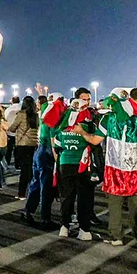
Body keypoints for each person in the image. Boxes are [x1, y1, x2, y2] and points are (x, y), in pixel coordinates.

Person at [74, 89, 137, 246]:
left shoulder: (108, 119)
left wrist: (82, 132)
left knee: (115, 204)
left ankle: (116, 236)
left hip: (115, 169)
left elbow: (95, 140)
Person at [53, 88, 95, 241]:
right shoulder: (87, 127)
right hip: (82, 165)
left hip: (65, 164)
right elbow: (94, 143)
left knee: (67, 197)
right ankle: (84, 230)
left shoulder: (63, 127)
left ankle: (64, 226)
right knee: (83, 198)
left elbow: (57, 145)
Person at [22, 93, 60, 229]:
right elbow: (53, 140)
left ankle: (28, 210)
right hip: (47, 154)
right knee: (46, 188)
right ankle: (45, 218)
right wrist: (57, 159)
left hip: (38, 152)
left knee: (36, 183)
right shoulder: (53, 117)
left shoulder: (44, 112)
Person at [8, 95, 39, 200]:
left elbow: (12, 128)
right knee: (31, 168)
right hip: (33, 144)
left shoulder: (21, 114)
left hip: (22, 144)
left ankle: (22, 193)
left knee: (24, 170)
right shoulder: (36, 115)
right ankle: (33, 192)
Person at [4, 96, 21, 169]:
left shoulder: (8, 109)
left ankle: (7, 163)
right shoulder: (22, 109)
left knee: (9, 149)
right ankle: (18, 164)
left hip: (9, 132)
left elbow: (5, 120)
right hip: (19, 132)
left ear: (12, 101)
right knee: (18, 150)